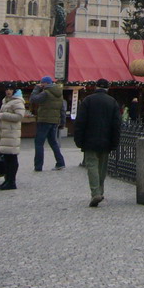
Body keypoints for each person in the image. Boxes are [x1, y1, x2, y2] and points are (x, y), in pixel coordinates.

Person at [73, 78, 122, 207]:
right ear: (107, 88)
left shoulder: (88, 100)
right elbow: (116, 124)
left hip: (90, 139)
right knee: (102, 167)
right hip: (106, 140)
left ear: (96, 87)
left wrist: (78, 139)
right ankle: (100, 190)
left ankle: (95, 193)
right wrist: (115, 142)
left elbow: (80, 122)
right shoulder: (112, 102)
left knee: (92, 166)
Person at [29, 76, 66, 171]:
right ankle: (60, 162)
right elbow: (62, 109)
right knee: (53, 142)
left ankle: (38, 166)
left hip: (44, 120)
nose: (41, 85)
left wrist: (36, 89)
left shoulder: (46, 93)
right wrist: (62, 122)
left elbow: (33, 99)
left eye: (42, 83)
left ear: (45, 83)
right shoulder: (59, 93)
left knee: (39, 143)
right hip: (54, 121)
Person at [0, 87, 26, 190]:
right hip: (5, 133)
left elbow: (19, 116)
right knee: (7, 158)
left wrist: (3, 115)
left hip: (12, 133)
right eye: (6, 89)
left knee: (12, 158)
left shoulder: (17, 101)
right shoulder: (6, 100)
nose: (8, 91)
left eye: (10, 89)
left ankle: (11, 182)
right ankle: (7, 180)